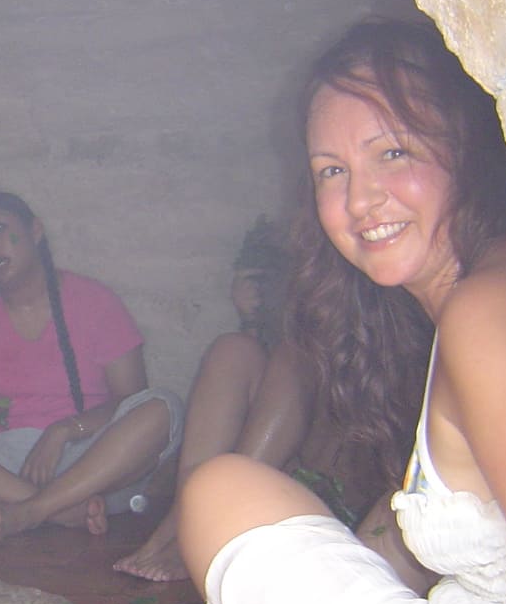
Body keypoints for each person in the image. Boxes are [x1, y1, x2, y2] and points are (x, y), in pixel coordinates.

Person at [98, 19, 506, 604]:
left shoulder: (490, 313)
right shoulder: (497, 279)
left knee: (220, 494)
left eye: (393, 152)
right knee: (230, 490)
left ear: (470, 148)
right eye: (331, 170)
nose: (360, 200)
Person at [0, 192, 183, 544]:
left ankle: (31, 509)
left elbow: (130, 399)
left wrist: (62, 431)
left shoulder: (96, 302)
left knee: (163, 408)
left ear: (36, 231)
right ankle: (54, 509)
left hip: (89, 459)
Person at [114, 221, 393, 583]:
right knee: (232, 351)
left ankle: (200, 531)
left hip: (341, 473)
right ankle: (183, 522)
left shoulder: (372, 297)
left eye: (269, 277)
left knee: (293, 360)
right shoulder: (273, 334)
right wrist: (253, 318)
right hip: (266, 466)